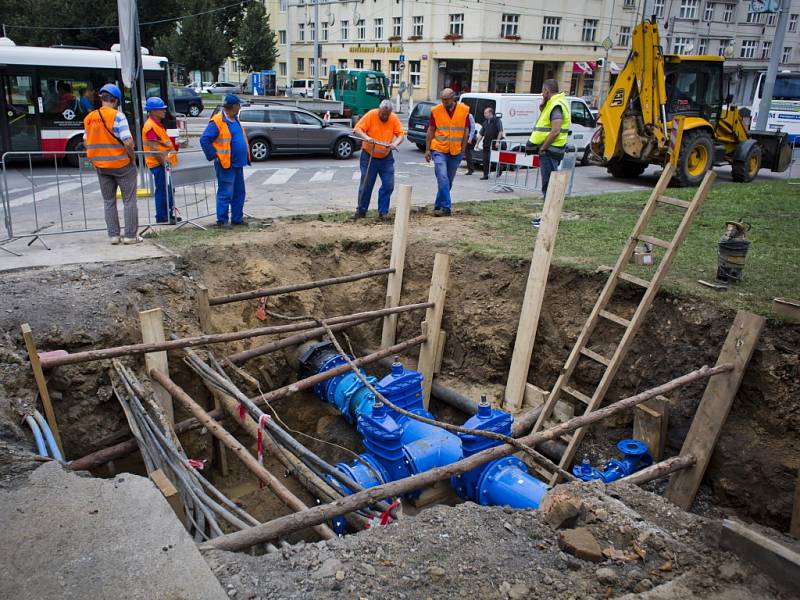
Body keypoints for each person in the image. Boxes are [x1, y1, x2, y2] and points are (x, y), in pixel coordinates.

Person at [82, 83, 139, 245]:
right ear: (116, 101)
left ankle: (113, 236)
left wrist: (95, 158)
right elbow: (127, 141)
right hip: (122, 166)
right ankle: (130, 236)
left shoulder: (89, 117)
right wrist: (132, 158)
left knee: (109, 202)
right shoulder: (118, 116)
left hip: (101, 166)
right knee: (129, 201)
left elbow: (86, 142)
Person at [200, 95, 250, 227]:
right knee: (225, 192)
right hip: (225, 164)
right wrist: (214, 155)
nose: (240, 107)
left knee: (239, 193)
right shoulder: (217, 121)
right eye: (239, 105)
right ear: (234, 106)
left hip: (237, 163)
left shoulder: (235, 119)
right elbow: (204, 139)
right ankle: (222, 220)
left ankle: (237, 219)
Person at [352, 99, 405, 219]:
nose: (384, 116)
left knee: (388, 184)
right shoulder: (371, 115)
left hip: (386, 157)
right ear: (379, 110)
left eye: (386, 114)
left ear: (390, 112)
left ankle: (383, 212)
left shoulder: (393, 118)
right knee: (366, 184)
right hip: (369, 156)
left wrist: (395, 143)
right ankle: (361, 210)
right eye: (382, 113)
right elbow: (357, 129)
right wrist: (367, 137)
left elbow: (401, 134)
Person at [424, 88, 470, 217]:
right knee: (442, 177)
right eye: (442, 99)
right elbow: (431, 130)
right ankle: (446, 207)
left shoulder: (464, 110)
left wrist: (463, 150)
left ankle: (438, 205)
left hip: (455, 151)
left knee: (448, 181)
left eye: (446, 99)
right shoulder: (436, 111)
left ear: (453, 98)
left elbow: (466, 131)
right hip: (439, 149)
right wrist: (428, 149)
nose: (443, 102)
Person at [527, 79, 571, 197]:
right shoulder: (555, 102)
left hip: (550, 150)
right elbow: (547, 123)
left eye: (542, 91)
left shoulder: (556, 105)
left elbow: (555, 130)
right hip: (553, 149)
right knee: (549, 183)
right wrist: (543, 106)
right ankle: (547, 213)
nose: (542, 94)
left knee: (548, 184)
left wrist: (543, 147)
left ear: (546, 91)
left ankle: (548, 215)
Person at [142, 97, 180, 224]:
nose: (164, 111)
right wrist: (164, 164)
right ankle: (163, 217)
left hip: (163, 164)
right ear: (153, 111)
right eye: (161, 109)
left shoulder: (156, 125)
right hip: (159, 164)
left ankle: (167, 215)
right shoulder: (151, 126)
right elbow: (154, 149)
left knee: (167, 190)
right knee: (163, 190)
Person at [476, 106, 504, 180]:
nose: (484, 114)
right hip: (486, 143)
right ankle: (485, 175)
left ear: (490, 113)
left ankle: (500, 168)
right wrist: (477, 143)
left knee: (494, 159)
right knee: (485, 160)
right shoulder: (485, 122)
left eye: (486, 113)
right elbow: (481, 134)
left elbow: (500, 131)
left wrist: (497, 141)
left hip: (494, 143)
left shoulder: (497, 121)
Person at [464, 111, 477, 175]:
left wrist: (470, 138)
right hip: (462, 137)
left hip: (468, 137)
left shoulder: (469, 116)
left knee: (467, 153)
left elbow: (473, 128)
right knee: (466, 153)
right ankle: (470, 169)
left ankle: (471, 169)